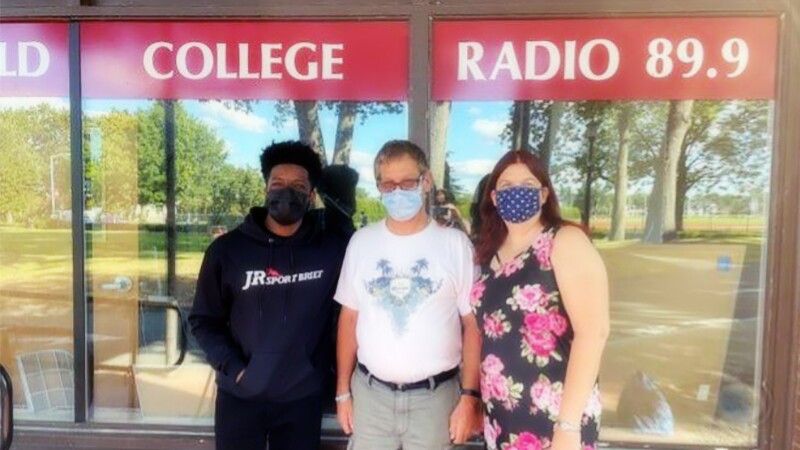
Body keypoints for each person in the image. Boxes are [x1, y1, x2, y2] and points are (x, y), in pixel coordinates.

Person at [189, 140, 348, 450]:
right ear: (265, 190)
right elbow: (203, 320)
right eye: (278, 184)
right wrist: (235, 369)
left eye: (298, 186)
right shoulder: (228, 251)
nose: (286, 192)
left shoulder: (331, 251)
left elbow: (350, 313)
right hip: (240, 396)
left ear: (311, 195)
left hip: (302, 398)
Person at [335, 140, 483, 449]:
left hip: (435, 400)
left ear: (426, 181)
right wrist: (342, 392)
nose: (398, 192)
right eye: (389, 184)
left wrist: (469, 396)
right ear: (378, 187)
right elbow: (349, 319)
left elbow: (473, 325)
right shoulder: (361, 242)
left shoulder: (455, 245)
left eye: (408, 182)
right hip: (370, 398)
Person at [472, 150, 609, 450]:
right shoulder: (489, 253)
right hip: (502, 416)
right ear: (494, 198)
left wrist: (569, 425)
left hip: (554, 415)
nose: (516, 192)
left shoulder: (564, 241)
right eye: (506, 186)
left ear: (544, 193)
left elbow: (593, 333)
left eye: (527, 183)